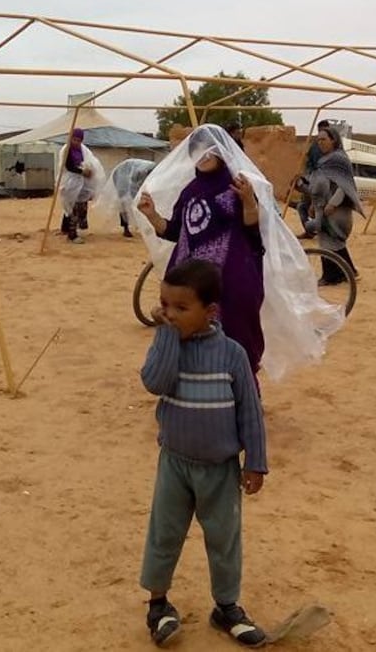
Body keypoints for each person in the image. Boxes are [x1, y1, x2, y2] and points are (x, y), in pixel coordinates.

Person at [138, 259, 268, 648]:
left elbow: (250, 411)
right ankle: (158, 605)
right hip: (175, 464)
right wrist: (165, 336)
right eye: (164, 305)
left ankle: (226, 607)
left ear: (210, 312)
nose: (169, 314)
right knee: (164, 534)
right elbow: (154, 382)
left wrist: (256, 461)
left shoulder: (232, 355)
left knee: (223, 539)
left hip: (221, 469)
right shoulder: (168, 346)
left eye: (180, 308)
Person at [137, 127, 266, 375]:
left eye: (210, 149)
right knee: (188, 333)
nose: (203, 155)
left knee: (236, 337)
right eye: (197, 149)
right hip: (190, 283)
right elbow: (174, 231)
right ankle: (195, 395)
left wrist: (249, 200)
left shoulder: (238, 186)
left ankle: (243, 398)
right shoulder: (190, 191)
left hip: (230, 282)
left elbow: (253, 228)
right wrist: (151, 214)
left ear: (222, 152)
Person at [302, 126, 365, 284]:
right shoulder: (325, 160)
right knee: (330, 241)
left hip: (336, 209)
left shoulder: (339, 159)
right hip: (324, 207)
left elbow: (344, 186)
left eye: (324, 139)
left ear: (334, 140)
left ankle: (331, 276)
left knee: (331, 241)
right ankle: (346, 272)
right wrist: (314, 204)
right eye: (318, 140)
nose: (320, 143)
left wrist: (333, 203)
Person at [58, 128, 101, 244]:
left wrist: (89, 170)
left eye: (79, 140)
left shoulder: (84, 150)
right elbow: (68, 166)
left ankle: (66, 229)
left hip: (81, 183)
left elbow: (90, 162)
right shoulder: (66, 150)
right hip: (70, 182)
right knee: (73, 208)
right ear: (70, 138)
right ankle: (72, 235)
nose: (76, 142)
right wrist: (82, 172)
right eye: (74, 139)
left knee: (78, 205)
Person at [296, 119, 331, 232]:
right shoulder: (314, 146)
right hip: (314, 178)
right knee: (302, 206)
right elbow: (309, 162)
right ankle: (309, 231)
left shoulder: (333, 147)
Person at [110, 158, 156, 238]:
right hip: (123, 176)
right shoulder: (143, 172)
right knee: (124, 203)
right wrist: (135, 199)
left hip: (131, 177)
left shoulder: (155, 172)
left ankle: (145, 227)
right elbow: (134, 188)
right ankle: (126, 228)